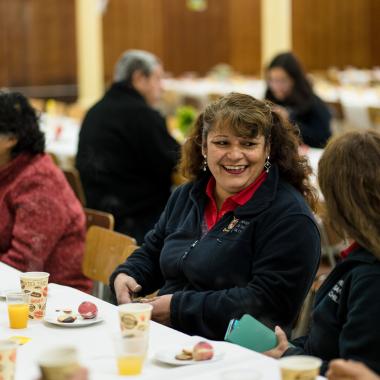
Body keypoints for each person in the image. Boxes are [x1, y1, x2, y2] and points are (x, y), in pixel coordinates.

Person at [110, 92, 321, 340]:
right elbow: (154, 250)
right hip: (171, 338)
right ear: (203, 146)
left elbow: (267, 302)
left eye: (248, 144)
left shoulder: (289, 217)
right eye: (222, 143)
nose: (234, 155)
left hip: (243, 353)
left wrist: (179, 308)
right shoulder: (188, 195)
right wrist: (128, 274)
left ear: (267, 150)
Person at [265, 130, 380, 376]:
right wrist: (289, 350)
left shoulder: (370, 276)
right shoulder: (359, 257)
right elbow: (323, 343)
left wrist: (291, 356)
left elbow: (354, 372)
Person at [76, 50, 180, 244]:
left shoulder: (96, 110)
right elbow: (176, 160)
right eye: (158, 79)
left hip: (99, 219)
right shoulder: (141, 115)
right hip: (137, 222)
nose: (162, 88)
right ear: (139, 78)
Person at [0, 91, 91, 293]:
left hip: (56, 298)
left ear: (11, 139)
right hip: (13, 289)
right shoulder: (6, 170)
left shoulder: (39, 181)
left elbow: (24, 262)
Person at [265, 52, 332, 148]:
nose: (276, 86)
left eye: (282, 80)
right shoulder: (270, 96)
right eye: (272, 80)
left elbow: (323, 139)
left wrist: (289, 119)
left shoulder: (312, 102)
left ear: (294, 80)